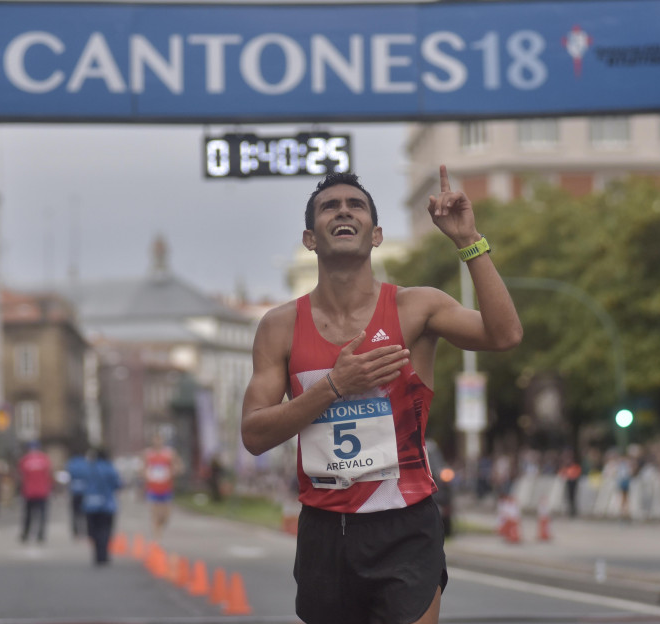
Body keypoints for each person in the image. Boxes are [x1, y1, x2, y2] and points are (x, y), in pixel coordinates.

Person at [241, 168, 522, 624]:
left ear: (377, 235)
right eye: (330, 207)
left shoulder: (416, 307)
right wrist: (334, 386)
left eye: (356, 205)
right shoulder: (280, 326)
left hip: (404, 523)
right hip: (324, 528)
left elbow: (505, 334)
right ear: (310, 239)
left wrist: (469, 241)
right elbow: (253, 433)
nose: (344, 211)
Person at [81, 448, 123, 566]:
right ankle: (104, 555)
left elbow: (83, 484)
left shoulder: (88, 468)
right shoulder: (110, 469)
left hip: (90, 504)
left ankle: (97, 554)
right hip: (107, 504)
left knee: (94, 531)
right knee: (105, 530)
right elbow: (118, 484)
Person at [142, 433, 183, 539]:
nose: (157, 442)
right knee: (155, 515)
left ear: (162, 441)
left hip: (166, 488)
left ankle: (160, 528)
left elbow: (179, 466)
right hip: (153, 488)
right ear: (152, 441)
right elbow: (142, 469)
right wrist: (145, 475)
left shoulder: (170, 453)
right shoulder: (147, 454)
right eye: (155, 440)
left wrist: (175, 470)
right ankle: (157, 539)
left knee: (165, 517)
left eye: (159, 440)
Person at [18, 440, 53, 544]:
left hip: (29, 492)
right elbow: (49, 475)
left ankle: (26, 533)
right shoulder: (44, 459)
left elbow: (21, 476)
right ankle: (41, 534)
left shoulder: (24, 460)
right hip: (42, 491)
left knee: (28, 514)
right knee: (42, 514)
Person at [66, 449, 89, 538]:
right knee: (85, 513)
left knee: (75, 513)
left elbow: (68, 476)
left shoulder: (71, 464)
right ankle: (85, 530)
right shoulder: (86, 463)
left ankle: (76, 530)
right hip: (84, 491)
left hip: (74, 491)